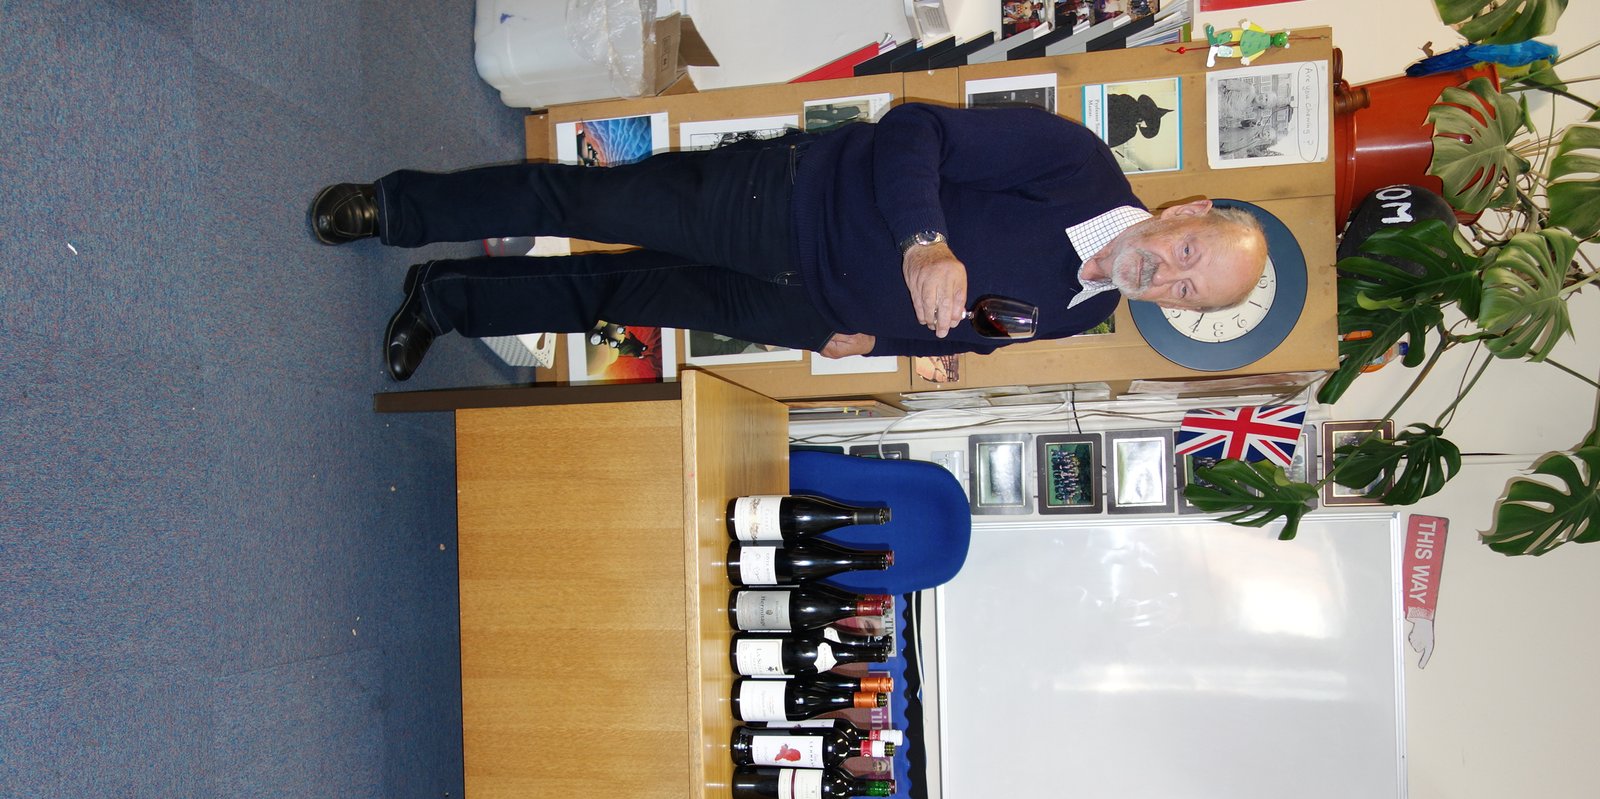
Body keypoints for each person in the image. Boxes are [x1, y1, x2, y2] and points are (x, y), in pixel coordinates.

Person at [308, 102, 1268, 381]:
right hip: (785, 201)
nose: (1170, 275)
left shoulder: (1082, 310)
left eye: (1189, 293)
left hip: (804, 308)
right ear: (1186, 211)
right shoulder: (1077, 166)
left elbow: (968, 335)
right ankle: (393, 211)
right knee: (582, 204)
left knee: (614, 296)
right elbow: (914, 132)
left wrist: (871, 341)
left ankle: (444, 300)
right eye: (1190, 254)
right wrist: (924, 240)